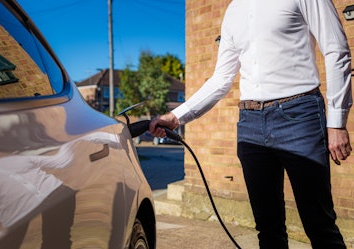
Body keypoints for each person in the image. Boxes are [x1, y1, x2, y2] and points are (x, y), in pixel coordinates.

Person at [149, 0, 352, 248]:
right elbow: (221, 78)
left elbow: (336, 50)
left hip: (300, 115)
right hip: (251, 122)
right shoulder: (234, 10)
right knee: (267, 228)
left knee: (318, 223)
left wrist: (337, 122)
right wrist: (177, 116)